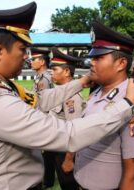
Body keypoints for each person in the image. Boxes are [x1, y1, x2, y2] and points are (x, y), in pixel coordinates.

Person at [0, 2, 134, 190]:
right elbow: (67, 134)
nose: (27, 57)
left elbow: (40, 101)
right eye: (22, 49)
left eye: (98, 58)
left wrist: (81, 82)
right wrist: (128, 103)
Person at [74, 21, 134, 190]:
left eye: (99, 58)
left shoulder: (131, 102)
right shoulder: (97, 92)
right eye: (92, 57)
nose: (91, 62)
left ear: (121, 64)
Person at [48, 47, 83, 190]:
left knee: (69, 186)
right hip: (57, 148)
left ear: (67, 71)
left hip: (66, 152)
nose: (51, 72)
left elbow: (75, 130)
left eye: (55, 69)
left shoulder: (71, 96)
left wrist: (69, 159)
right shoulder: (59, 92)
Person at [29, 47, 55, 189]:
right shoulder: (40, 76)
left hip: (45, 117)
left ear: (42, 62)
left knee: (47, 151)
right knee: (47, 152)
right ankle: (48, 178)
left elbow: (45, 103)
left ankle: (48, 180)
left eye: (34, 59)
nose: (31, 62)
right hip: (41, 116)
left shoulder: (45, 78)